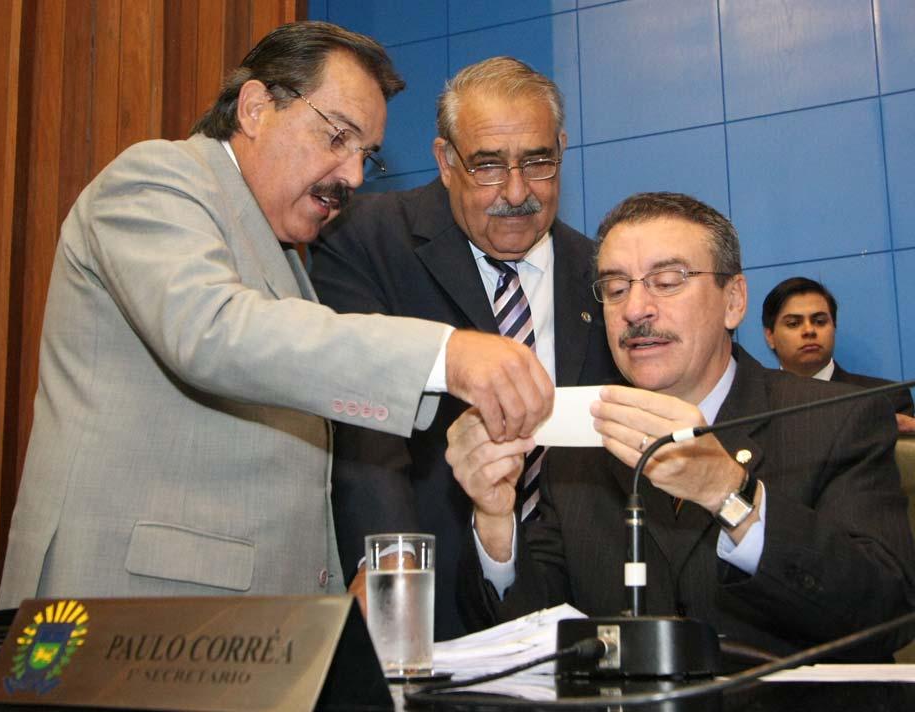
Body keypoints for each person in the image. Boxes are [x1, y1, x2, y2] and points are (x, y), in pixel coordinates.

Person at [0, 22, 555, 608]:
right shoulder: (154, 179)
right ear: (256, 108)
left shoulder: (285, 257)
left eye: (365, 155)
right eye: (337, 137)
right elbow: (213, 331)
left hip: (242, 623)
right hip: (122, 611)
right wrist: (445, 354)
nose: (353, 176)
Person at [449, 192, 915, 660]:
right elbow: (531, 634)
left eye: (667, 282)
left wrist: (731, 495)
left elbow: (888, 613)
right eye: (615, 288)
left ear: (734, 301)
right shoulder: (581, 444)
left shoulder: (838, 420)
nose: (635, 309)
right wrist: (495, 522)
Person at [310, 57, 619, 640]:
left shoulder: (601, 272)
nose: (517, 192)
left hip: (583, 615)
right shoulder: (367, 239)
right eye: (488, 166)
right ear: (446, 161)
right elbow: (361, 423)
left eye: (538, 162)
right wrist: (391, 566)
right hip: (431, 606)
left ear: (561, 150)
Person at [761, 276, 914, 431]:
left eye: (820, 321)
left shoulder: (886, 397)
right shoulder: (756, 406)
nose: (809, 330)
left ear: (834, 327)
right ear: (770, 336)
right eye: (793, 323)